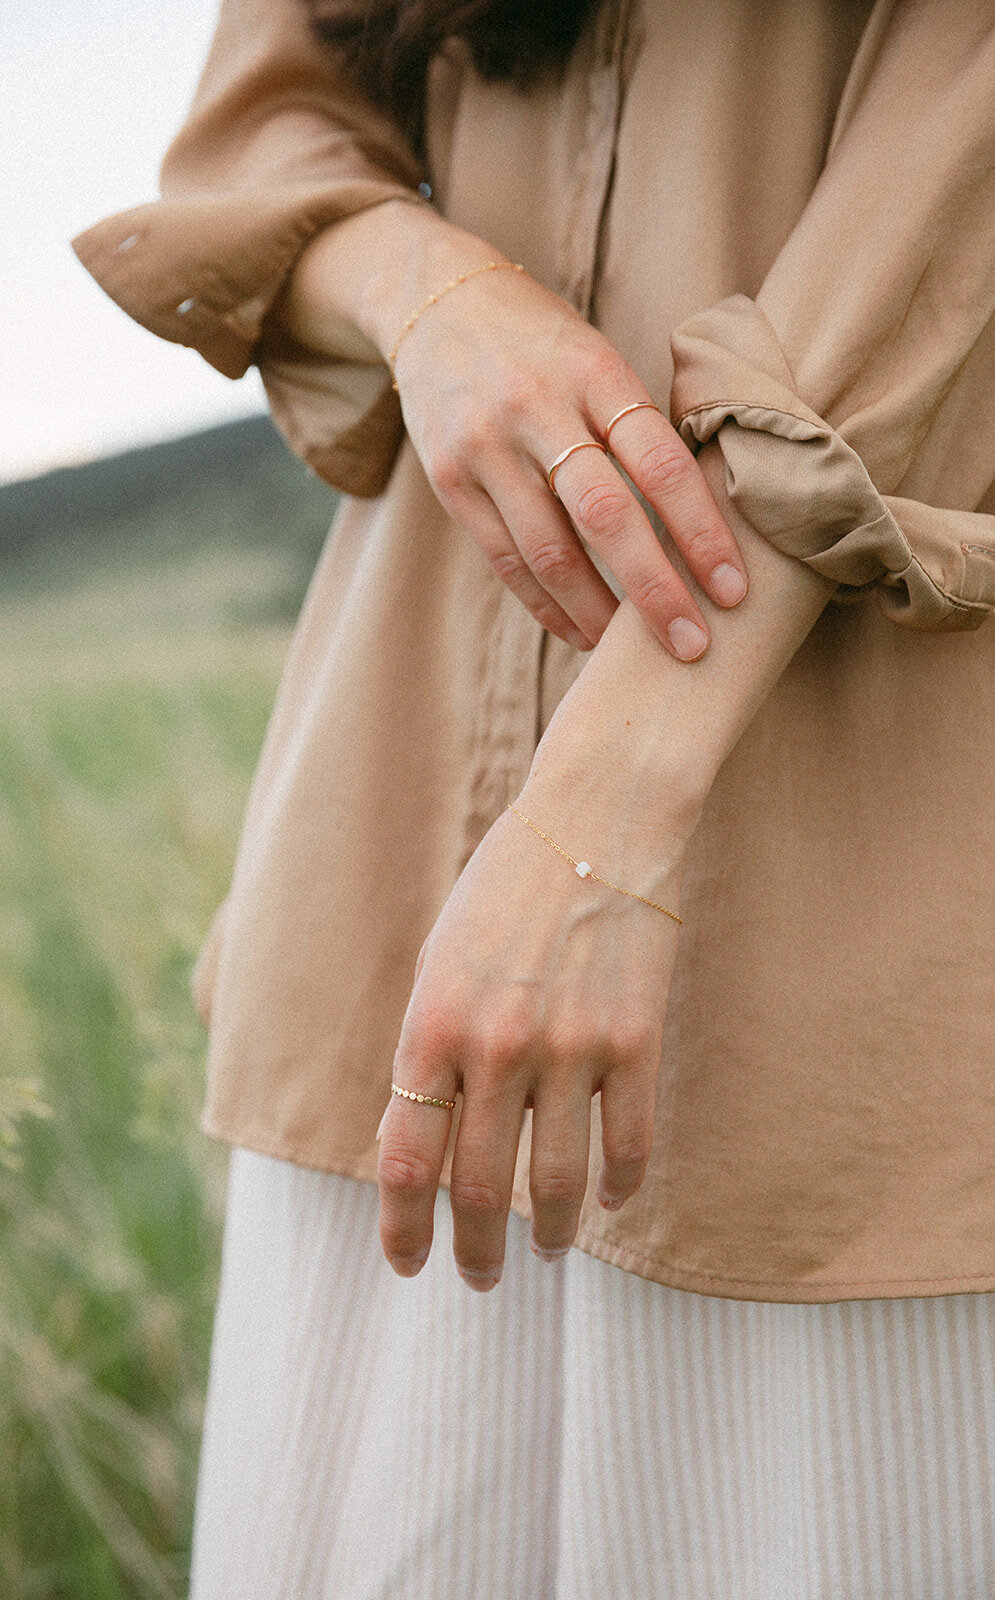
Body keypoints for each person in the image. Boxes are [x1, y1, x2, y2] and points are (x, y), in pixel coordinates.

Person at [72, 0, 995, 1592]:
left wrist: (599, 816)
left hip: (864, 889)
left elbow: (957, 178)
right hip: (389, 867)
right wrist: (430, 294)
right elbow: (261, 123)